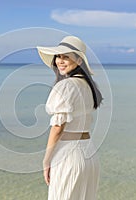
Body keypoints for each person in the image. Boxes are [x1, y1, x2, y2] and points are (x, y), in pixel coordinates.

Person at [37, 36, 103, 200]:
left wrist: (46, 160)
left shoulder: (66, 85)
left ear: (79, 60)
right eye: (58, 56)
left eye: (66, 56)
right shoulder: (88, 86)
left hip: (68, 154)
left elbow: (58, 127)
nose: (60, 60)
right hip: (88, 152)